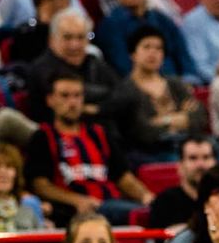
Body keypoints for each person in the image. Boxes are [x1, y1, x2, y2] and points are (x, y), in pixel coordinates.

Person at [26, 71, 154, 226]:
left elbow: (123, 177)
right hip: (75, 214)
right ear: (50, 100)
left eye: (77, 96)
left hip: (113, 204)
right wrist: (77, 200)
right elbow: (41, 186)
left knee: (159, 208)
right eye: (65, 96)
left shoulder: (99, 134)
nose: (72, 103)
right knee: (139, 214)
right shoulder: (43, 136)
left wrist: (146, 196)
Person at [113, 24, 211, 162]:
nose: (153, 53)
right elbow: (141, 131)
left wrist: (162, 120)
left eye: (158, 48)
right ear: (133, 54)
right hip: (152, 153)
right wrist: (181, 117)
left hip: (189, 146)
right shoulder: (125, 90)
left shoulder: (175, 83)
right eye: (146, 47)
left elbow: (199, 116)